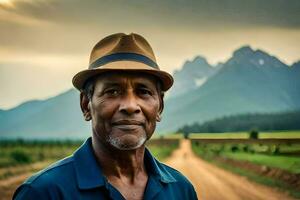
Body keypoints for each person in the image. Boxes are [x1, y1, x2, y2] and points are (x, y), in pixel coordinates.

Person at [13, 33, 198, 200]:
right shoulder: (43, 193)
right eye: (113, 91)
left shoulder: (181, 191)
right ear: (86, 105)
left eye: (143, 92)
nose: (130, 106)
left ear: (160, 107)